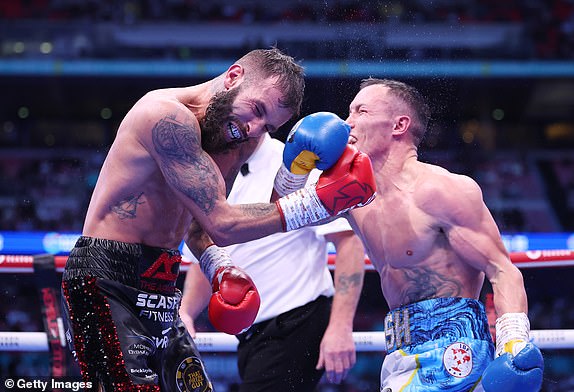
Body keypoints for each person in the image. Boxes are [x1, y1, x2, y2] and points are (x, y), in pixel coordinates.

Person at [60, 47, 376, 392]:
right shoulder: (165, 118)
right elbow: (221, 223)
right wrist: (318, 203)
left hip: (162, 285)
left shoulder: (235, 139)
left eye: (267, 125)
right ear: (233, 76)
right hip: (107, 280)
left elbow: (198, 226)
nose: (253, 128)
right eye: (256, 110)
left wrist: (218, 266)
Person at [342, 78, 544, 391]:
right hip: (397, 352)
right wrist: (296, 168)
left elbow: (502, 271)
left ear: (399, 124)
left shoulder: (440, 190)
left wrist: (513, 342)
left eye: (361, 111)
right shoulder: (353, 196)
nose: (347, 121)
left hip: (454, 351)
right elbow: (280, 217)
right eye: (349, 112)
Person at [180, 133, 366, 391]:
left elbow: (349, 242)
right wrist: (186, 313)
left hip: (298, 324)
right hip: (251, 338)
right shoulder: (211, 174)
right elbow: (208, 256)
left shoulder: (297, 167)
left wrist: (341, 326)